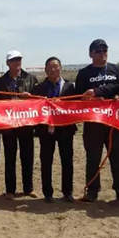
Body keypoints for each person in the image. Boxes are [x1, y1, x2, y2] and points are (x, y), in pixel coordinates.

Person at [75, 39, 119, 204]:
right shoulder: (84, 73)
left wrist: (118, 96)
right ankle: (92, 190)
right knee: (93, 158)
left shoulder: (115, 69)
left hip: (114, 123)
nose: (102, 53)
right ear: (91, 54)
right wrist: (87, 98)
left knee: (117, 158)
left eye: (105, 50)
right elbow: (78, 96)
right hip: (93, 123)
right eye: (98, 51)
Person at [0, 50, 38, 198]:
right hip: (8, 126)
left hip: (26, 125)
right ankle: (10, 190)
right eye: (13, 60)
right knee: (10, 157)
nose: (17, 62)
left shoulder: (31, 79)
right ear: (8, 63)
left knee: (27, 157)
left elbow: (38, 101)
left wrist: (30, 98)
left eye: (18, 59)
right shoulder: (0, 82)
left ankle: (28, 188)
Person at [31, 57, 76, 203]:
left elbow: (76, 107)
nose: (53, 69)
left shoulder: (70, 87)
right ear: (45, 70)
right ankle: (47, 193)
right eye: (50, 67)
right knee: (46, 162)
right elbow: (32, 106)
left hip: (66, 130)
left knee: (67, 161)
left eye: (56, 66)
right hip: (46, 131)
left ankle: (67, 192)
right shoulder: (38, 88)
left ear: (60, 68)